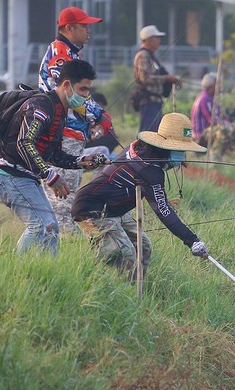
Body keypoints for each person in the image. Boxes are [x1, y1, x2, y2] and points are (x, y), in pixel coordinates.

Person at [71, 112, 209, 282]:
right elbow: (163, 210)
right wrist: (192, 241)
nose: (182, 155)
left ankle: (136, 291)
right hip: (90, 210)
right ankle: (112, 292)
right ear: (165, 146)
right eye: (179, 149)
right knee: (124, 253)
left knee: (143, 247)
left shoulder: (139, 148)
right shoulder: (150, 172)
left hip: (115, 209)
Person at [0, 59, 105, 255]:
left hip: (26, 177)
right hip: (9, 175)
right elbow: (25, 142)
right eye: (83, 89)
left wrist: (79, 162)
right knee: (42, 225)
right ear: (67, 85)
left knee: (52, 227)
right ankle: (17, 270)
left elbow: (53, 154)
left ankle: (49, 270)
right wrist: (51, 176)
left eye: (88, 90)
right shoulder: (41, 107)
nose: (86, 96)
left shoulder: (60, 111)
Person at [44, 80, 113, 235]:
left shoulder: (85, 114)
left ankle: (95, 193)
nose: (85, 94)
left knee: (103, 151)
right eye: (82, 89)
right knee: (62, 207)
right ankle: (70, 235)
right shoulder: (62, 107)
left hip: (77, 155)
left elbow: (90, 134)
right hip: (62, 158)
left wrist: (95, 130)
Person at [38, 6, 113, 137]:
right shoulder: (61, 54)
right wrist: (99, 115)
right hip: (59, 127)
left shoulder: (70, 52)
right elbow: (71, 94)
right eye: (84, 26)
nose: (88, 30)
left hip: (68, 125)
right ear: (69, 28)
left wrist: (98, 115)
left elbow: (80, 92)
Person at [132, 25, 182, 134]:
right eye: (156, 38)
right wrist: (167, 78)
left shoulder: (151, 56)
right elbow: (144, 78)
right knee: (148, 135)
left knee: (155, 134)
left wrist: (172, 80)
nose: (159, 40)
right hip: (148, 101)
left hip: (155, 102)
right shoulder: (143, 55)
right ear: (149, 39)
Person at [191, 72, 228, 146]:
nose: (219, 87)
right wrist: (226, 124)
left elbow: (219, 115)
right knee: (227, 132)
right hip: (201, 135)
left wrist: (226, 121)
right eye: (217, 85)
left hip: (208, 131)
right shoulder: (205, 99)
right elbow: (212, 120)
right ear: (210, 87)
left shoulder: (210, 98)